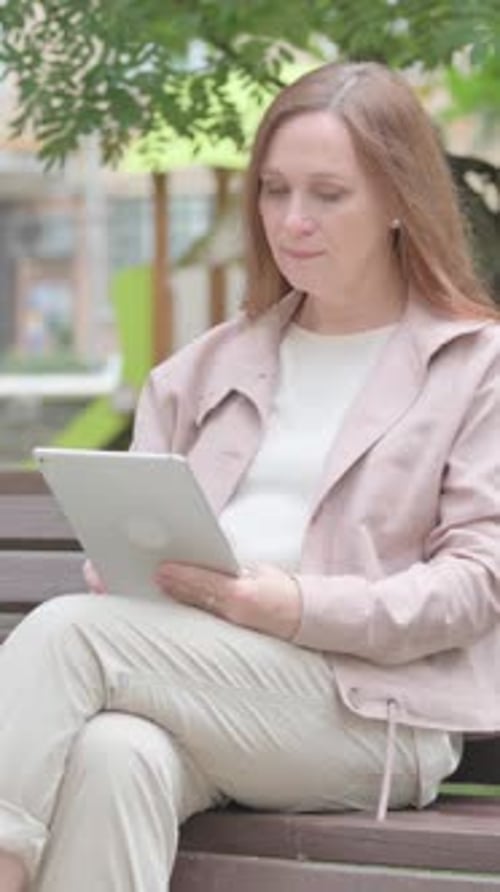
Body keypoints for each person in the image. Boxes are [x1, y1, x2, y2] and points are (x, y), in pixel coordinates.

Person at [1, 59, 500, 892]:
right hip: (201, 686)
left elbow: (478, 584)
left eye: (327, 194)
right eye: (274, 191)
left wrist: (293, 607)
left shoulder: (474, 367)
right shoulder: (200, 372)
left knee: (68, 632)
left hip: (371, 711)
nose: (293, 220)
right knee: (115, 755)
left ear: (398, 203)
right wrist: (133, 574)